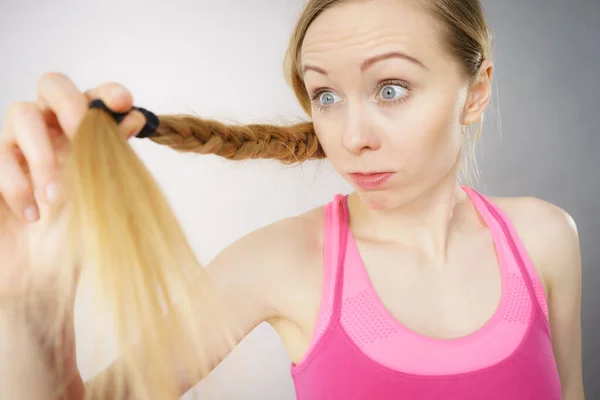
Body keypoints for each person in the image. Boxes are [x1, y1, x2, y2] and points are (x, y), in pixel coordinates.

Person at [0, 0, 585, 399]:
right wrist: (27, 307)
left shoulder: (545, 239)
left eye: (390, 88)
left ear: (476, 92)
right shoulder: (282, 261)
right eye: (326, 95)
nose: (352, 137)